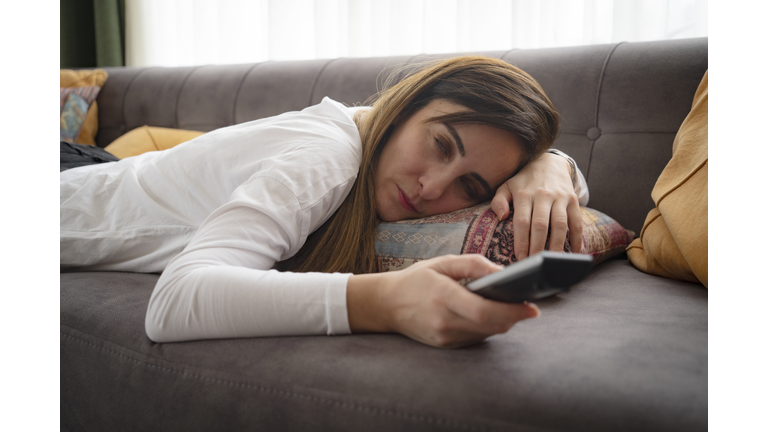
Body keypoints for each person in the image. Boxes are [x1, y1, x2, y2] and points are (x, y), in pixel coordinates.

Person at [60, 56, 588, 349]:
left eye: (469, 189)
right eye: (440, 144)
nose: (432, 189)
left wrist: (555, 167)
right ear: (405, 106)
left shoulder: (371, 138)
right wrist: (386, 301)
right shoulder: (329, 156)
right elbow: (175, 303)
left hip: (105, 167)